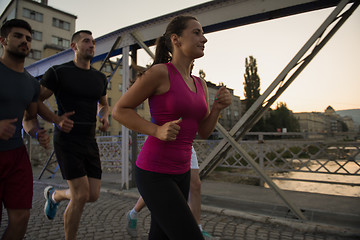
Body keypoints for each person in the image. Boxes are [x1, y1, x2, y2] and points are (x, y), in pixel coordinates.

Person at [112, 15, 231, 239]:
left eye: (203, 33)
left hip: (182, 171)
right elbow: (119, 110)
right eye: (196, 33)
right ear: (176, 39)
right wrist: (156, 130)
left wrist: (217, 109)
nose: (204, 39)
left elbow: (203, 132)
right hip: (154, 171)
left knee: (161, 235)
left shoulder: (200, 83)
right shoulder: (160, 73)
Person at [37, 30, 109, 240]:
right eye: (86, 41)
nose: (91, 45)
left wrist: (104, 117)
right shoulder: (58, 72)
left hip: (89, 139)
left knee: (92, 195)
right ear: (74, 46)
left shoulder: (99, 78)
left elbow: (104, 104)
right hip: (67, 140)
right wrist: (56, 119)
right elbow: (37, 100)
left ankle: (55, 195)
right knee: (79, 195)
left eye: (93, 42)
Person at [0, 19, 49, 240]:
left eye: (28, 38)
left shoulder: (31, 83)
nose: (25, 41)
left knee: (21, 218)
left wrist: (37, 133)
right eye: (18, 36)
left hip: (17, 156)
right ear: (3, 40)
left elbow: (29, 119)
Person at [126, 146, 217, 240]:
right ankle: (133, 212)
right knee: (159, 190)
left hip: (185, 146)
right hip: (164, 148)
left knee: (195, 185)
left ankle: (198, 228)